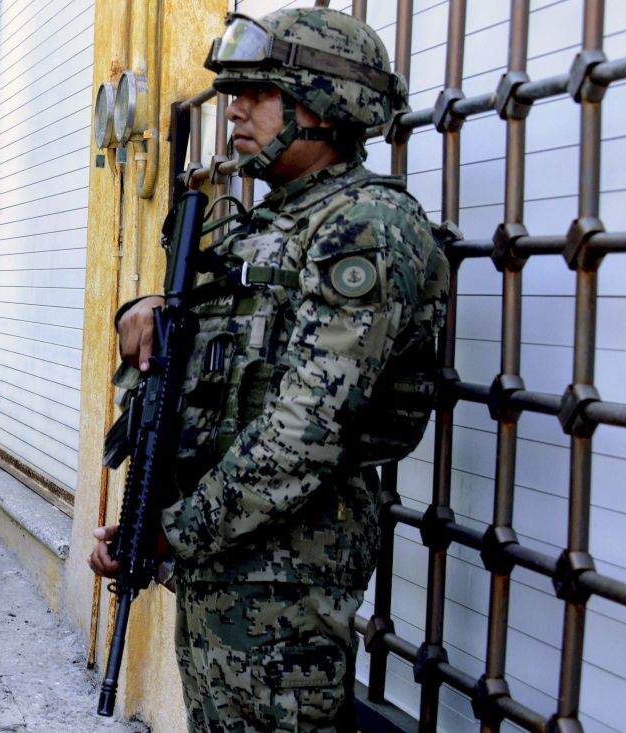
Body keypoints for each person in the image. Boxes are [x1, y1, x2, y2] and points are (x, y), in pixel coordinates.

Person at [88, 8, 449, 732]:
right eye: (235, 92)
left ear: (325, 105)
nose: (235, 109)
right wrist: (153, 308)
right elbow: (227, 364)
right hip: (226, 554)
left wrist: (170, 531)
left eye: (258, 93)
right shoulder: (271, 222)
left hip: (289, 563)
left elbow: (304, 433)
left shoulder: (365, 229)